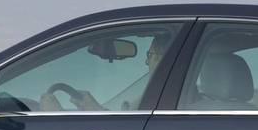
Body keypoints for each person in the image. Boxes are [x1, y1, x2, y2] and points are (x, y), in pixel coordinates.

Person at [37, 36, 167, 111]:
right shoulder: (172, 95)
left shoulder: (165, 96)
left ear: (161, 57)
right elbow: (127, 129)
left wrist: (56, 113)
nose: (146, 61)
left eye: (150, 54)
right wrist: (94, 109)